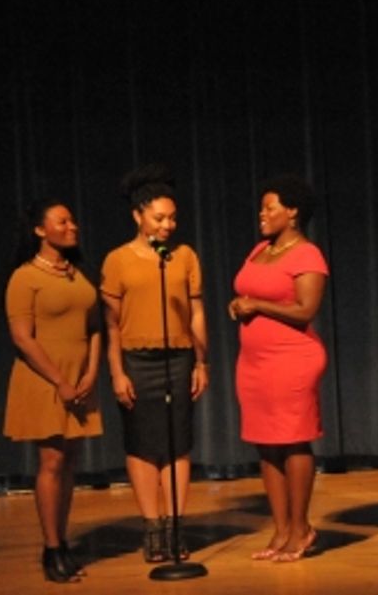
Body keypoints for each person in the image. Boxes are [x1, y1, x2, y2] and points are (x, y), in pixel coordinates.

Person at [100, 166, 210, 563]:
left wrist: (201, 362)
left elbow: (196, 313)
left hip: (178, 357)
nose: (168, 225)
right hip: (136, 359)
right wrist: (116, 372)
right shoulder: (117, 260)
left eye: (172, 218)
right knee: (143, 445)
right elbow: (111, 325)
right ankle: (152, 527)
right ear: (138, 216)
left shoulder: (184, 256)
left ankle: (177, 526)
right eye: (159, 218)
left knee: (177, 442)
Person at [228, 175, 328, 562]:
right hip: (254, 362)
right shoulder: (260, 249)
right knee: (266, 443)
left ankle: (301, 529)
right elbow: (249, 291)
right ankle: (281, 529)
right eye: (262, 207)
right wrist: (239, 304)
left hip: (292, 359)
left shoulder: (307, 255)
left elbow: (305, 310)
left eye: (270, 207)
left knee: (294, 439)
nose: (262, 214)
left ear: (293, 211)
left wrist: (256, 305)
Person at [4, 199, 103, 583]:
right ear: (40, 230)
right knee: (52, 462)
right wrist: (59, 381)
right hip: (45, 378)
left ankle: (61, 540)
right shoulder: (24, 277)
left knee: (70, 463)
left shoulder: (78, 274)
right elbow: (22, 338)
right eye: (62, 222)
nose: (72, 226)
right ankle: (52, 549)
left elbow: (94, 327)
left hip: (79, 378)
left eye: (73, 220)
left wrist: (91, 371)